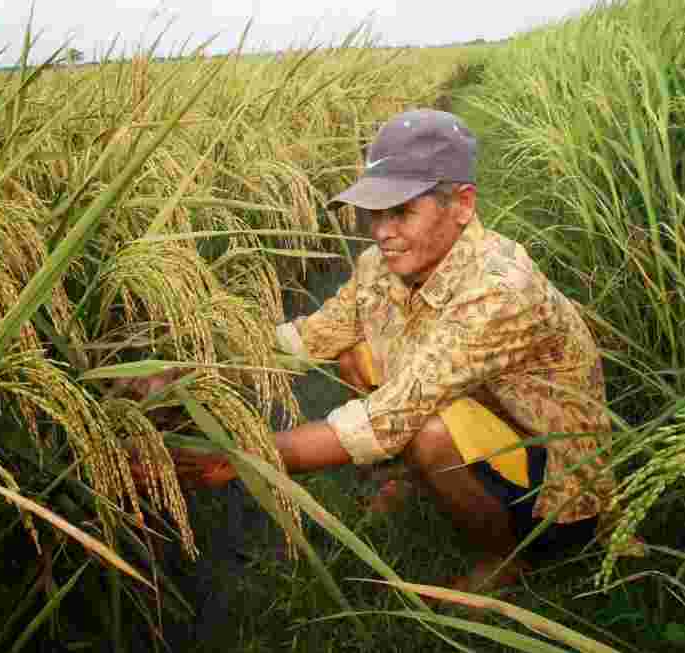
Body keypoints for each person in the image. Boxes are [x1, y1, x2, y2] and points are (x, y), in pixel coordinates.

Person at [172, 108, 618, 593]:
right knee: (355, 351)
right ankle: (416, 478)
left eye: (402, 211)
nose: (383, 231)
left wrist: (247, 455)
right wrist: (194, 364)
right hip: (486, 422)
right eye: (374, 213)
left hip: (555, 486)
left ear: (462, 205)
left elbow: (389, 415)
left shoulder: (499, 289)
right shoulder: (381, 265)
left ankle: (505, 561)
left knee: (426, 432)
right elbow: (312, 335)